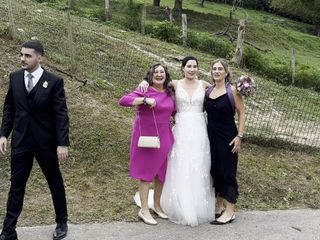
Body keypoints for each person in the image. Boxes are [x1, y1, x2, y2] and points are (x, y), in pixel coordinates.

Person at [0, 40, 69, 240]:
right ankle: (8, 231)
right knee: (16, 186)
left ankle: (62, 222)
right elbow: (9, 108)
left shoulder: (54, 81)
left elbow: (61, 115)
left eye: (28, 55)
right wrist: (4, 134)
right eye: (21, 55)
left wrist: (62, 143)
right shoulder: (14, 78)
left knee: (54, 182)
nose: (22, 59)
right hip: (21, 142)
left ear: (39, 57)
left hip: (45, 143)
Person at [139, 56, 215, 226]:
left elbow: (221, 91)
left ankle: (196, 204)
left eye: (195, 66)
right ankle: (174, 202)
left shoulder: (204, 85)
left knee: (198, 163)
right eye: (189, 66)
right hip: (181, 129)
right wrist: (144, 82)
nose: (192, 69)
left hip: (199, 129)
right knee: (179, 163)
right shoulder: (174, 84)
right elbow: (157, 82)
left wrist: (239, 89)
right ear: (182, 68)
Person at [119, 63, 175, 225]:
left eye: (162, 72)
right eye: (155, 72)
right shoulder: (145, 89)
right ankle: (144, 210)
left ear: (166, 75)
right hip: (146, 138)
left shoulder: (169, 92)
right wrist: (144, 100)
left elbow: (173, 110)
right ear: (150, 76)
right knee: (146, 174)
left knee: (161, 174)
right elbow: (123, 101)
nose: (159, 74)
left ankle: (157, 205)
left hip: (164, 137)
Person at [204, 59, 245, 225]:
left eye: (220, 69)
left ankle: (230, 211)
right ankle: (218, 206)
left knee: (228, 172)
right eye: (214, 69)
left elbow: (242, 113)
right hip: (210, 137)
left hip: (228, 137)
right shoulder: (208, 90)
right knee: (215, 170)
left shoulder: (233, 91)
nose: (217, 71)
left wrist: (240, 136)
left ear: (226, 72)